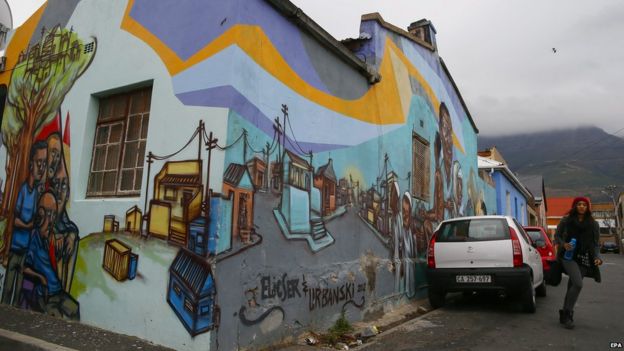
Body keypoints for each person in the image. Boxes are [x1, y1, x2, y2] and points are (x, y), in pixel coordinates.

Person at [1, 141, 47, 306]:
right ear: (30, 164)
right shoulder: (22, 190)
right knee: (8, 288)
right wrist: (28, 226)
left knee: (18, 289)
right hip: (15, 249)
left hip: (25, 251)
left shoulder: (35, 192)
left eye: (44, 163)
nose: (41, 167)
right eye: (38, 162)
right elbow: (15, 219)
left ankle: (13, 318)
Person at [554, 196, 602, 329]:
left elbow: (596, 243)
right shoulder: (566, 221)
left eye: (584, 205)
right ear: (575, 206)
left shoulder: (593, 224)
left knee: (572, 286)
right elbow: (556, 236)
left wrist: (597, 257)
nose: (582, 206)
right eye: (579, 204)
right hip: (568, 257)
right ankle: (568, 314)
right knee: (578, 284)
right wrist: (564, 244)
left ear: (587, 208)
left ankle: (564, 313)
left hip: (584, 258)